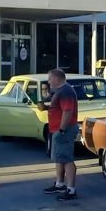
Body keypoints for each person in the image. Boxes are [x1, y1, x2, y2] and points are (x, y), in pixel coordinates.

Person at [40, 69, 80, 201]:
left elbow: (67, 111)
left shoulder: (66, 91)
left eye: (50, 78)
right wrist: (46, 108)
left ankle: (71, 189)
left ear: (57, 78)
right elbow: (59, 108)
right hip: (57, 129)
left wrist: (62, 130)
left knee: (67, 158)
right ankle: (60, 183)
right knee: (59, 157)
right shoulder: (59, 91)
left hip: (64, 130)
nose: (49, 81)